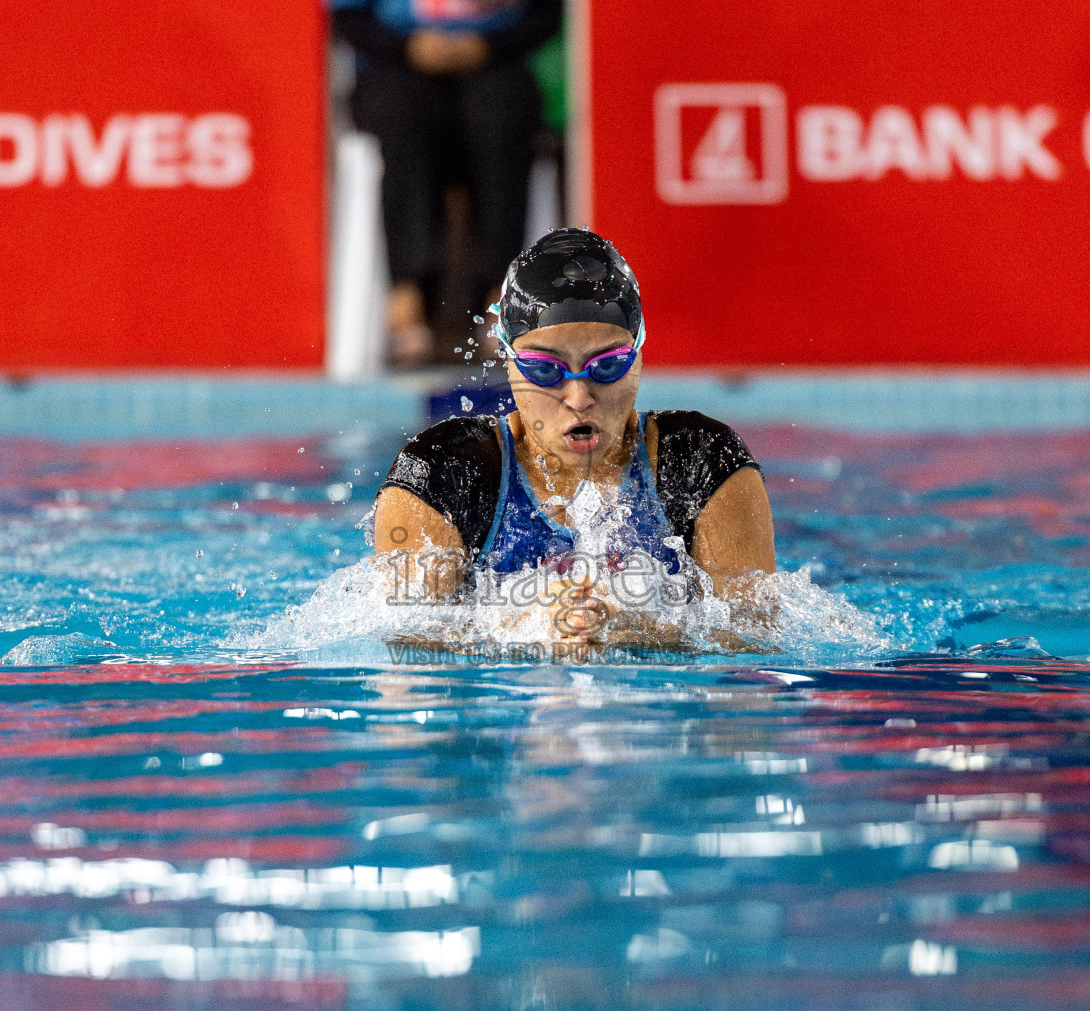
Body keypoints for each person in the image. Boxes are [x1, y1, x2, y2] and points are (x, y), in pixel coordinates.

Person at [373, 228, 776, 644]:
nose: (579, 397)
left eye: (608, 366)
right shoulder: (441, 474)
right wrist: (528, 629)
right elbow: (408, 648)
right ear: (508, 362)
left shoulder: (702, 462)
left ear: (639, 355)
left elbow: (756, 638)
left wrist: (639, 631)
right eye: (545, 370)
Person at [331, 0, 563, 365]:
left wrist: (488, 46)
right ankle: (408, 295)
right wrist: (407, 47)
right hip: (395, 64)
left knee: (500, 113)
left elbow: (548, 14)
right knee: (402, 112)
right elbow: (346, 18)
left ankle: (502, 296)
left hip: (498, 61)